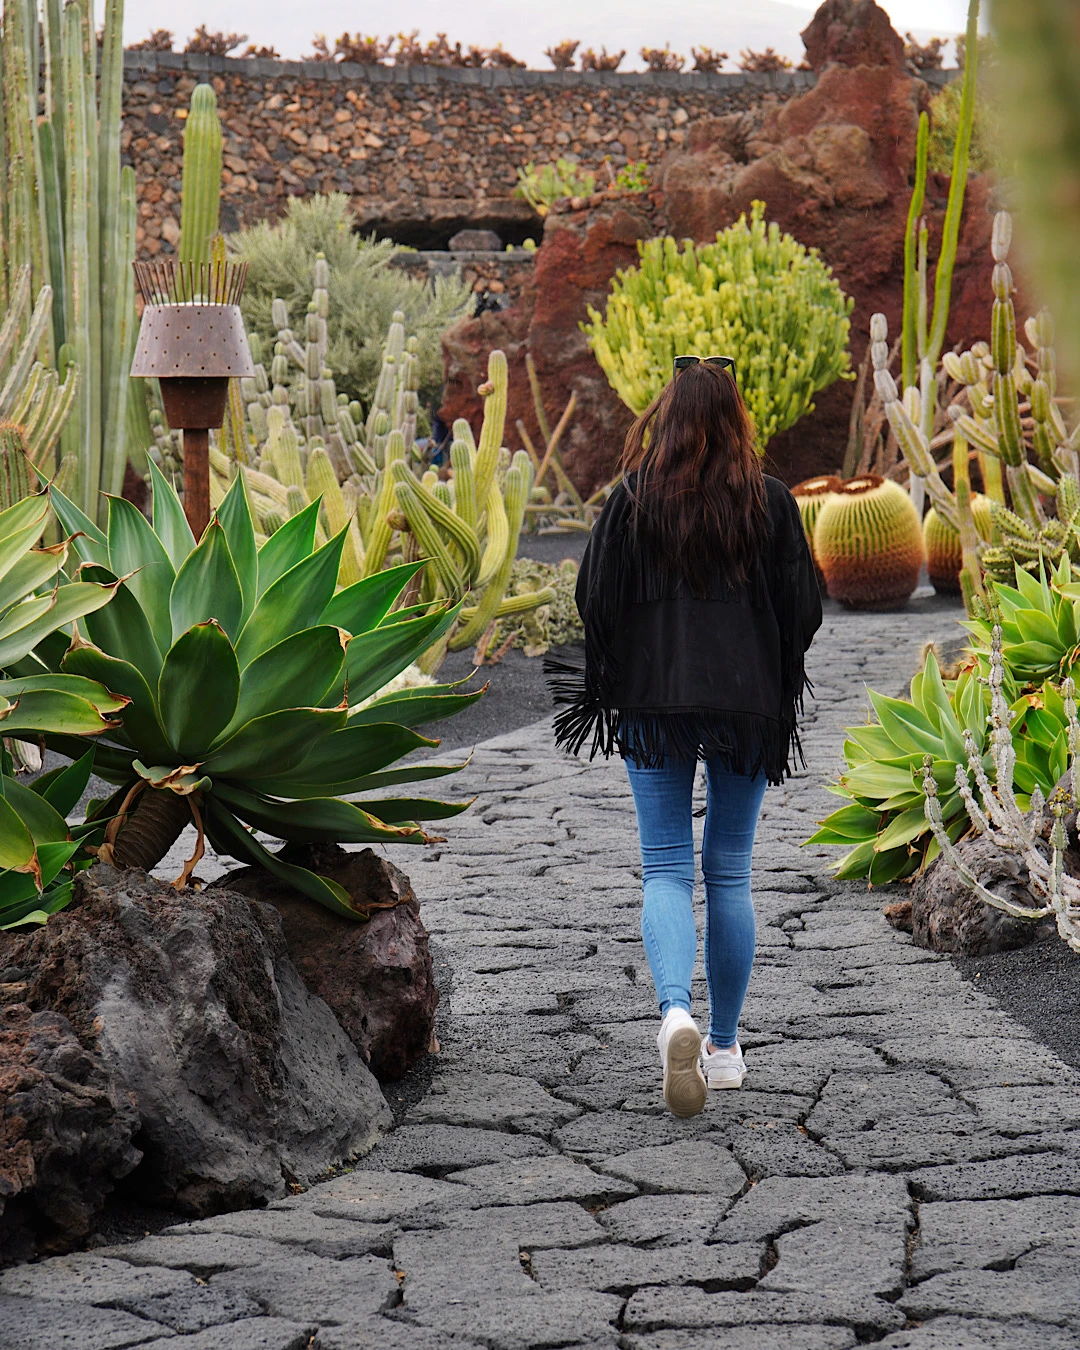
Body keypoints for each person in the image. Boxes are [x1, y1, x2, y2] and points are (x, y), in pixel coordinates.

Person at [548, 356, 822, 1118]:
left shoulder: (632, 501)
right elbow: (804, 610)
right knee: (729, 870)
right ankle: (726, 1048)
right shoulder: (770, 503)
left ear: (663, 418)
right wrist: (764, 667)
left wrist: (630, 664)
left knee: (666, 866)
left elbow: (590, 597)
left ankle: (675, 1012)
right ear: (739, 422)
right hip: (744, 705)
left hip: (651, 698)